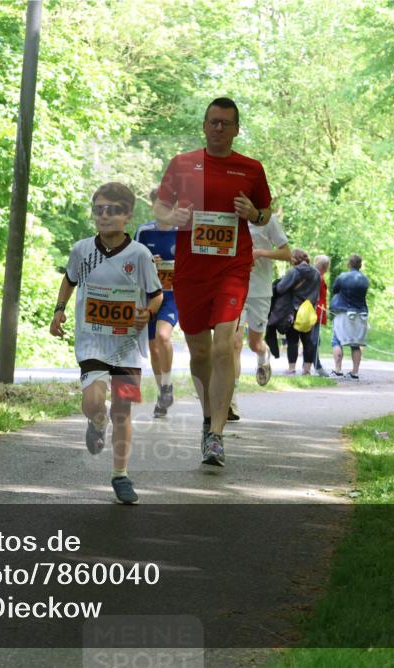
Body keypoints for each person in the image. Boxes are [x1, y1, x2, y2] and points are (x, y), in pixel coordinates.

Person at [153, 97, 273, 467]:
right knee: (200, 352)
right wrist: (174, 215)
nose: (219, 128)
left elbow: (265, 213)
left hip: (232, 269)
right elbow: (158, 210)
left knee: (224, 347)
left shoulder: (250, 168)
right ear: (204, 126)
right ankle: (207, 421)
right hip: (191, 272)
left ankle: (217, 435)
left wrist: (254, 213)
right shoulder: (182, 164)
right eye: (213, 122)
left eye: (226, 123)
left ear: (237, 129)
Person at [49, 182, 163, 504]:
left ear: (127, 215)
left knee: (123, 411)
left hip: (128, 347)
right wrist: (59, 310)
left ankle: (121, 475)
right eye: (98, 209)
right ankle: (97, 422)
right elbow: (69, 280)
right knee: (93, 401)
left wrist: (147, 313)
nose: (104, 216)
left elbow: (156, 296)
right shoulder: (82, 250)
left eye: (112, 210)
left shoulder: (139, 255)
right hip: (93, 343)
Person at [233, 201, 290, 394]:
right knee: (234, 343)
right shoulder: (230, 219)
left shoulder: (268, 220)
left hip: (260, 291)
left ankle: (263, 354)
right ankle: (230, 398)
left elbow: (287, 253)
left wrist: (259, 253)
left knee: (254, 343)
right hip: (234, 290)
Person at [135, 189, 179, 418]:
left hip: (173, 295)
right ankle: (162, 392)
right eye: (160, 205)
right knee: (153, 347)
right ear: (152, 206)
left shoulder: (183, 233)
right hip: (151, 296)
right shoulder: (143, 232)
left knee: (163, 337)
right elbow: (131, 261)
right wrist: (149, 262)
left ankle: (168, 383)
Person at [272, 249, 321, 375]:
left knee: (292, 340)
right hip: (309, 311)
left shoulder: (294, 271)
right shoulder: (316, 272)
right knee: (307, 341)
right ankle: (307, 369)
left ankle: (292, 368)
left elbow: (280, 288)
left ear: (296, 259)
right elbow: (317, 293)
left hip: (293, 310)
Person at [329, 253, 370, 380]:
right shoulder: (364, 279)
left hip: (343, 312)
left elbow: (335, 289)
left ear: (349, 264)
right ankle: (355, 372)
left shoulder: (342, 277)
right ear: (360, 265)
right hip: (361, 313)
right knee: (355, 344)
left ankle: (338, 369)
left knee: (337, 341)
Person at [311, 255, 330, 376]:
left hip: (318, 310)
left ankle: (311, 365)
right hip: (315, 311)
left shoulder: (317, 275)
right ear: (324, 266)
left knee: (314, 339)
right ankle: (316, 366)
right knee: (314, 339)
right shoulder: (317, 276)